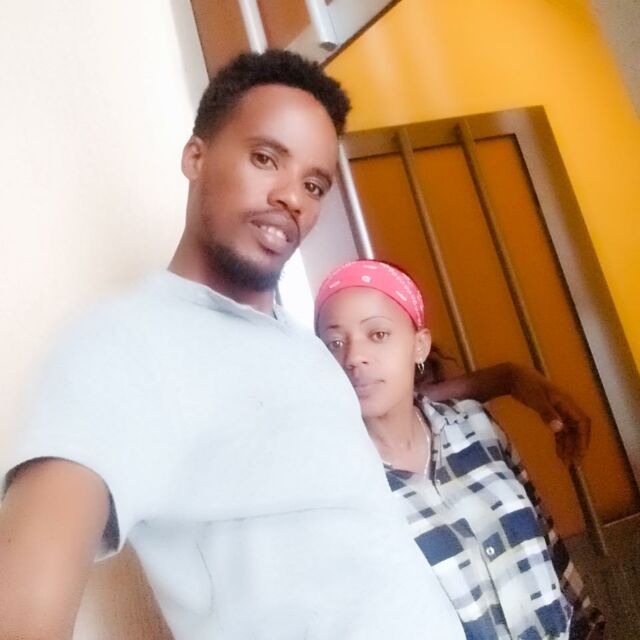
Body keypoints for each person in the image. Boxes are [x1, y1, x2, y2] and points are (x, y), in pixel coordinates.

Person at [0, 50, 592, 640]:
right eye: (265, 158)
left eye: (313, 184)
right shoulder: (121, 347)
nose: (293, 197)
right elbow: (24, 607)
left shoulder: (305, 349)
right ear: (196, 156)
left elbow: (398, 401)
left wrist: (513, 379)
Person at [314, 259, 604, 640]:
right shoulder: (334, 487)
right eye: (334, 343)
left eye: (378, 334)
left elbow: (545, 542)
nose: (353, 357)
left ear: (419, 345)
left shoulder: (475, 427)